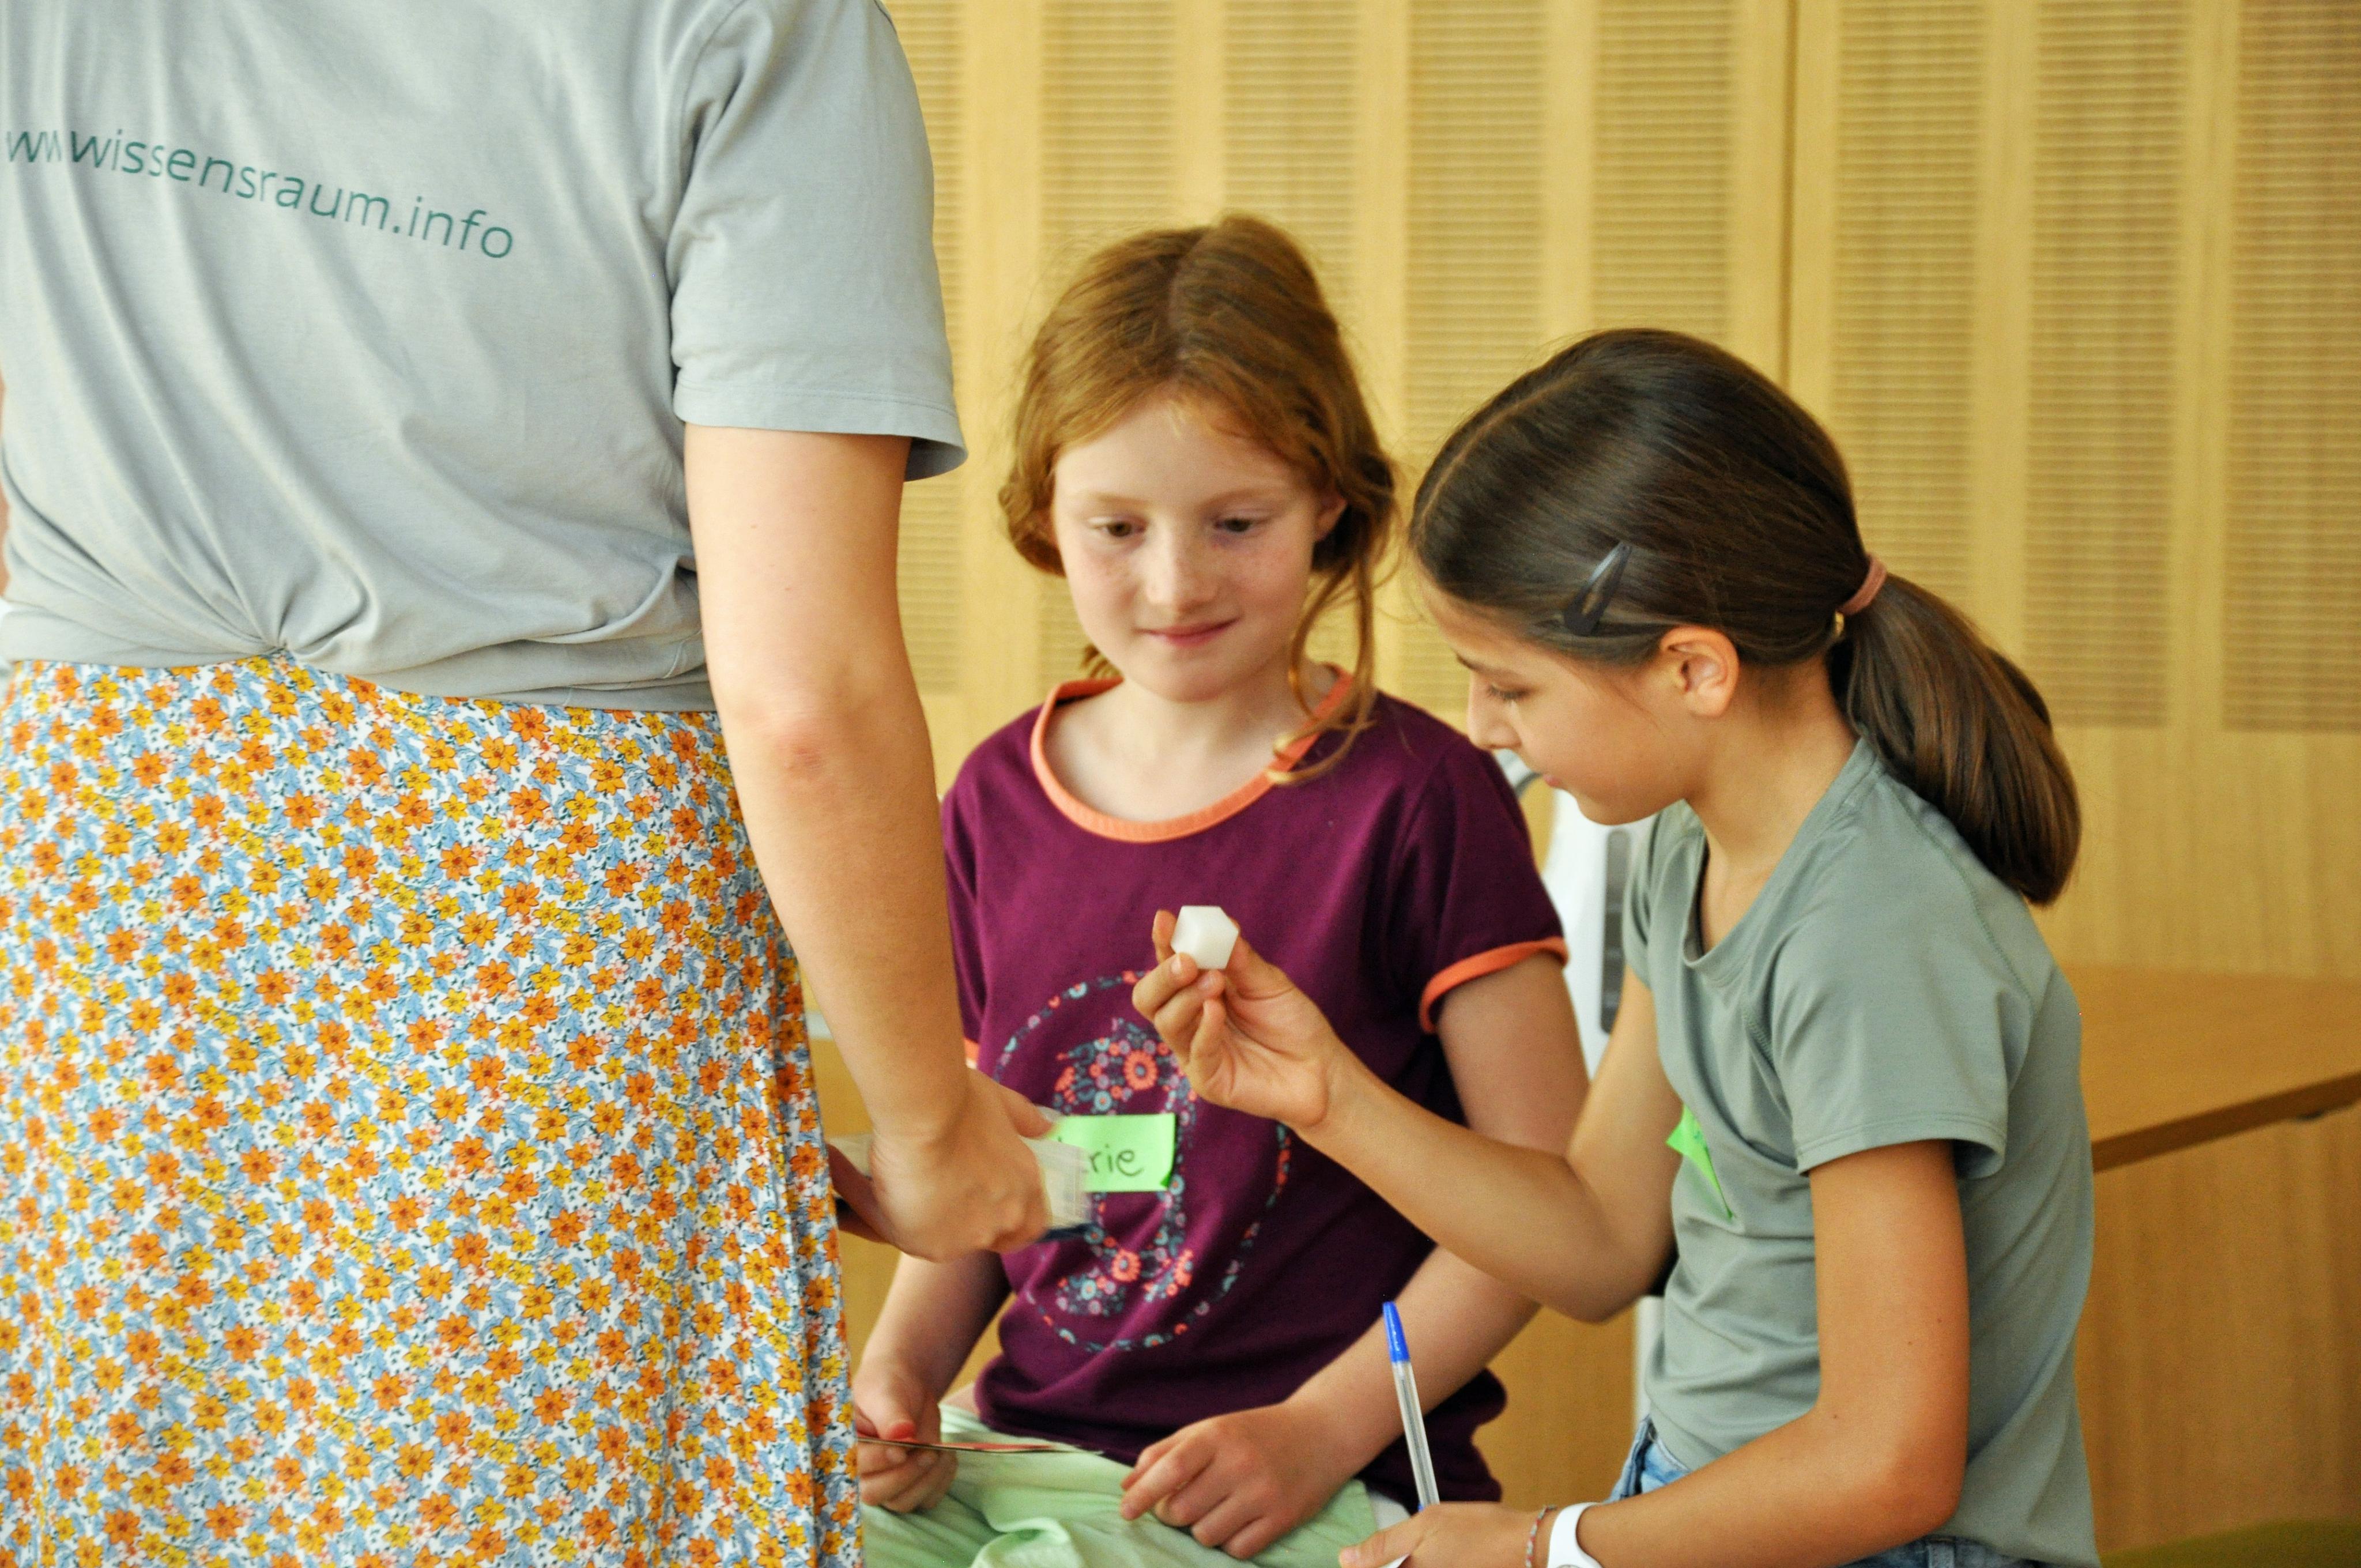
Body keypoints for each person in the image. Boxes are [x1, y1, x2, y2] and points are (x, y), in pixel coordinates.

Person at [0, 5, 1047, 1565]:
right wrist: (928, 1127)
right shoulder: (759, 26)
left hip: (95, 871)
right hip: (541, 903)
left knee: (128, 1481)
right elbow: (801, 696)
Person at [1135, 329, 2101, 1568]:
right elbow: (1600, 1239)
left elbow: (1888, 1465)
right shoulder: (1688, 849)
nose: (1482, 728)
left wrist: (1542, 1548)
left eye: (1510, 686)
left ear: (1692, 668)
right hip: (1702, 1499)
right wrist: (1323, 1094)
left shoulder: (1868, 933)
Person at [850, 216, 1590, 1568]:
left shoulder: (1420, 799)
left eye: (1235, 523)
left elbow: (1550, 1215)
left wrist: (1316, 1431)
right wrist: (896, 1381)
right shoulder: (992, 800)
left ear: (1329, 507)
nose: (1174, 581)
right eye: (1115, 528)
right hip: (1019, 1463)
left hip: (1322, 1486)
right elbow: (996, 1176)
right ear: (1043, 518)